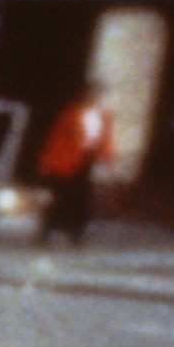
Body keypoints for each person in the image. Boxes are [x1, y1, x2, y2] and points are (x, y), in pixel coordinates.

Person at [34, 88, 114, 246]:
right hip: (65, 161)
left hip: (87, 161)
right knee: (58, 198)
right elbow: (55, 138)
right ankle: (47, 232)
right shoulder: (69, 114)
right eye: (89, 95)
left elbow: (105, 139)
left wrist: (109, 159)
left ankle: (75, 233)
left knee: (80, 199)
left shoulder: (103, 117)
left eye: (95, 96)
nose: (92, 98)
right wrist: (45, 162)